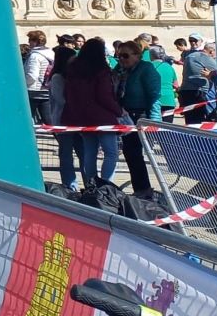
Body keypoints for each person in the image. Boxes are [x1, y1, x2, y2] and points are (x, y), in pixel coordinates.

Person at [61, 38, 123, 187]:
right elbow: (104, 96)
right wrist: (118, 111)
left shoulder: (73, 70)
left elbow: (68, 94)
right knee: (111, 153)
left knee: (90, 152)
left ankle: (91, 184)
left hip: (83, 117)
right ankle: (106, 186)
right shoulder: (101, 70)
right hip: (102, 117)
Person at [115, 40, 161, 197]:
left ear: (137, 55)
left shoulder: (146, 69)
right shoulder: (120, 70)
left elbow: (154, 95)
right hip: (125, 115)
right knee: (130, 153)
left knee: (136, 154)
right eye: (119, 55)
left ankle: (144, 189)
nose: (121, 59)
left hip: (140, 115)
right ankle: (140, 189)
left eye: (125, 55)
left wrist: (154, 121)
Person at [46, 46, 83, 191]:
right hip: (63, 121)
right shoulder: (57, 77)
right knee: (66, 155)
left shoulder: (75, 75)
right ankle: (70, 185)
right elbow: (60, 100)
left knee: (82, 153)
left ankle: (89, 182)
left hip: (77, 120)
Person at [179, 33, 217, 122]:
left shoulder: (189, 56)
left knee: (190, 120)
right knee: (199, 120)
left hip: (186, 91)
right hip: (198, 92)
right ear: (211, 51)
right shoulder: (204, 57)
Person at [151, 46, 180, 124]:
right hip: (169, 99)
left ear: (151, 55)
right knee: (167, 128)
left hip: (154, 99)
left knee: (153, 129)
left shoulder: (148, 66)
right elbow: (176, 85)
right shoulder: (169, 67)